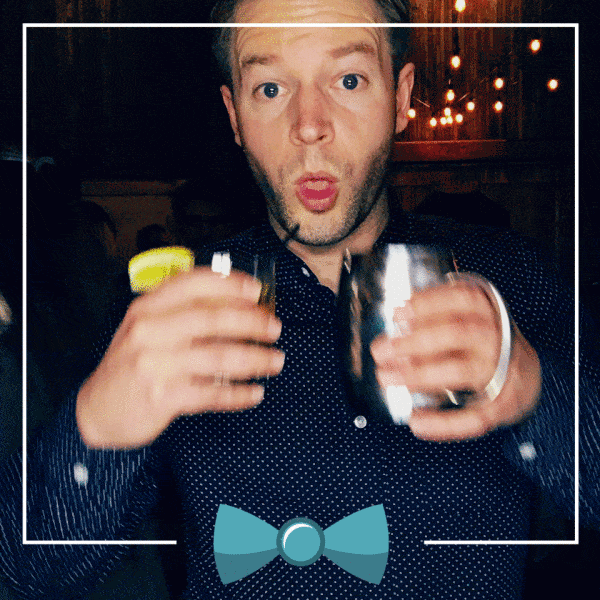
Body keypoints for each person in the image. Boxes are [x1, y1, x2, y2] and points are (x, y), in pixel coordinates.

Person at [1, 1, 598, 599]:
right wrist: (96, 425)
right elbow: (24, 570)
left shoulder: (511, 276)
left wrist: (536, 392)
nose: (309, 124)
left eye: (348, 80)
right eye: (269, 88)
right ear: (235, 115)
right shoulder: (169, 306)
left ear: (399, 97)